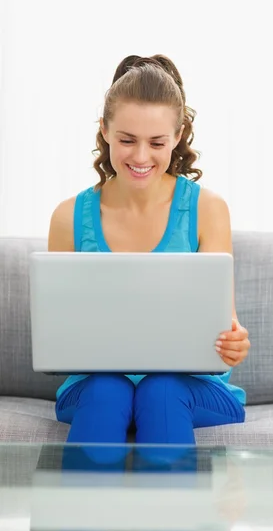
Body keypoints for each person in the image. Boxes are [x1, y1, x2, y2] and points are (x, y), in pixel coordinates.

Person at [48, 54, 250, 456]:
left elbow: (224, 323)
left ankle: (171, 520)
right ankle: (76, 518)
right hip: (95, 387)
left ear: (178, 136)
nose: (141, 158)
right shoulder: (69, 217)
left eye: (156, 142)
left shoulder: (206, 209)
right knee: (108, 389)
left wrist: (234, 342)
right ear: (104, 131)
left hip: (190, 387)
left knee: (160, 389)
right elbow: (59, 335)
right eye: (126, 140)